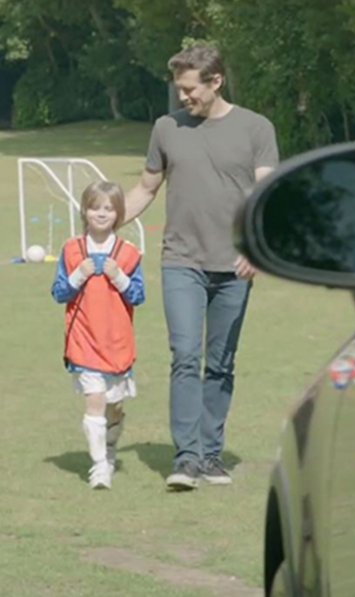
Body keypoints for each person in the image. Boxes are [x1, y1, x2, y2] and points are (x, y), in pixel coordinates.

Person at [123, 44, 279, 491]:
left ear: (216, 81)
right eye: (179, 90)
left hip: (235, 265)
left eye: (190, 89)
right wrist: (105, 223)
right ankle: (187, 458)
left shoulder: (256, 128)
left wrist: (256, 247)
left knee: (222, 362)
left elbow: (265, 198)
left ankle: (211, 454)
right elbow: (145, 189)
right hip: (181, 261)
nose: (183, 98)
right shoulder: (166, 127)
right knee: (186, 355)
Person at [51, 181, 145, 489]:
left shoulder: (129, 254)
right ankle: (99, 466)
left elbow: (138, 296)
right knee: (95, 399)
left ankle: (111, 444)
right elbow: (59, 292)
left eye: (108, 208)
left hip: (117, 343)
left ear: (118, 213)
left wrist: (119, 276)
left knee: (113, 405)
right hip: (83, 341)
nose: (101, 214)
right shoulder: (71, 249)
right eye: (95, 207)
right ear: (84, 210)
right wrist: (79, 274)